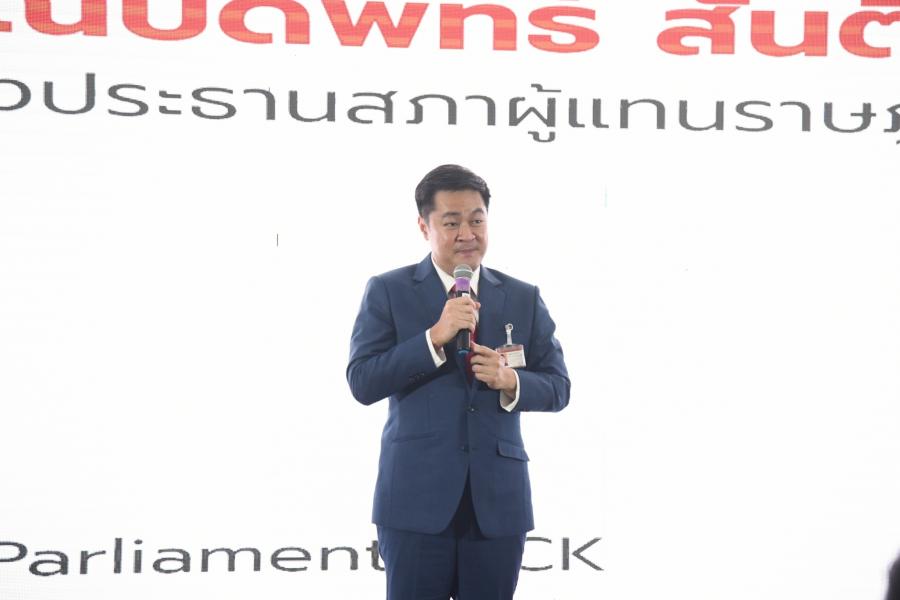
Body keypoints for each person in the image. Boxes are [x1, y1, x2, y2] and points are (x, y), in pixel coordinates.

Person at [347, 164, 570, 600]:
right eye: (451, 223)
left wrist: (510, 380)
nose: (467, 234)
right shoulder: (389, 290)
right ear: (424, 226)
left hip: (497, 504)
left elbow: (558, 387)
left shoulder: (522, 296)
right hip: (414, 501)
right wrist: (433, 338)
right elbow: (362, 380)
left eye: (476, 220)